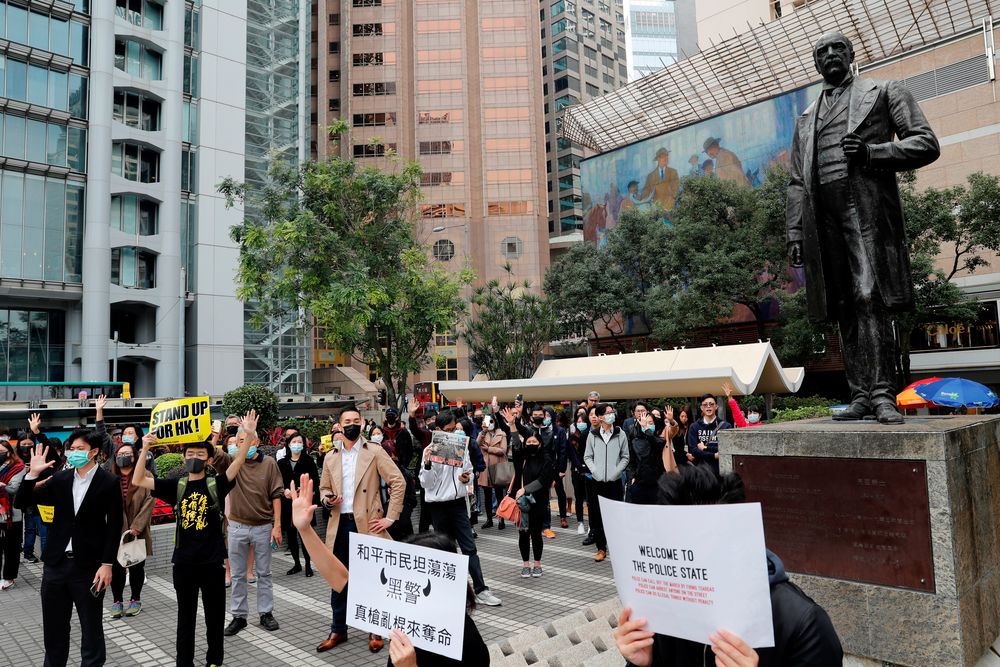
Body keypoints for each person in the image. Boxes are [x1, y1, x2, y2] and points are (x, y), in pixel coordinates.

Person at [787, 32, 939, 425]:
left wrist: (875, 153)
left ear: (852, 55)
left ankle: (883, 394)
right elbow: (796, 182)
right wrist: (795, 233)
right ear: (816, 63)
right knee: (843, 303)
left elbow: (926, 143)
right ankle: (859, 394)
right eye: (822, 52)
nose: (831, 55)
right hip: (823, 220)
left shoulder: (885, 91)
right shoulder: (805, 118)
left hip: (866, 212)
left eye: (838, 48)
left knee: (869, 295)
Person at [614, 465, 843, 666]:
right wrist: (642, 663)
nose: (689, 566)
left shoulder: (803, 624)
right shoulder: (665, 613)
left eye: (704, 546)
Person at [286, 473, 491, 666]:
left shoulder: (468, 643)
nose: (403, 583)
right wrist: (305, 529)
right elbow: (342, 580)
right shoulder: (404, 609)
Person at [133, 410, 258, 667]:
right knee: (185, 618)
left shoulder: (217, 484)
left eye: (200, 454)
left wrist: (248, 434)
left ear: (209, 459)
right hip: (184, 565)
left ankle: (214, 661)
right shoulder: (175, 485)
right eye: (190, 454)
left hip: (212, 563)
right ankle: (184, 662)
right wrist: (145, 448)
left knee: (214, 617)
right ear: (183, 457)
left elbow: (238, 463)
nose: (195, 458)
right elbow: (137, 479)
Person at [15, 430, 123, 667]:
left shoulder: (109, 482)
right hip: (56, 565)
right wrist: (32, 474)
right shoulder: (60, 479)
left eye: (79, 449)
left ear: (94, 452)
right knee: (54, 632)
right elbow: (21, 502)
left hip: (89, 568)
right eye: (70, 449)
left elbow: (114, 526)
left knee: (91, 630)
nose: (72, 453)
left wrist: (107, 565)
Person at [317, 407, 406, 654]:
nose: (352, 425)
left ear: (363, 423)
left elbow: (398, 482)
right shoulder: (330, 457)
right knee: (338, 580)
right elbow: (323, 488)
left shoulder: (374, 452)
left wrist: (390, 517)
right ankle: (338, 629)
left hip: (367, 524)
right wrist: (327, 499)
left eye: (356, 420)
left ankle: (375, 629)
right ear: (339, 425)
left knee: (370, 580)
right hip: (339, 524)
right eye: (347, 421)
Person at [414, 402, 502, 607]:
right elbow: (425, 483)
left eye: (456, 429)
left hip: (458, 504)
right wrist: (427, 464)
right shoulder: (429, 450)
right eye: (450, 430)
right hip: (438, 507)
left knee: (469, 548)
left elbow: (470, 471)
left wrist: (467, 478)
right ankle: (451, 592)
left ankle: (481, 590)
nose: (454, 433)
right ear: (438, 430)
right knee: (446, 550)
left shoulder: (460, 447)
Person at [223, 415, 285, 636]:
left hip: (262, 527)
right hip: (237, 526)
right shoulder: (232, 463)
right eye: (238, 441)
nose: (240, 445)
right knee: (238, 575)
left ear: (256, 442)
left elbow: (277, 494)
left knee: (264, 573)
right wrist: (212, 434)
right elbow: (209, 455)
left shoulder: (268, 464)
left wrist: (277, 525)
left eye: (245, 440)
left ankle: (266, 613)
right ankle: (239, 616)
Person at [109, 441, 153, 618]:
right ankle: (117, 600)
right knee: (116, 568)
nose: (123, 457)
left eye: (127, 454)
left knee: (136, 567)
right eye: (119, 454)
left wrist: (137, 526)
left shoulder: (145, 475)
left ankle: (135, 599)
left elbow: (150, 501)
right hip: (115, 530)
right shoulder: (109, 477)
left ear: (135, 457)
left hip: (137, 532)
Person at [583, 403, 629, 562]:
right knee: (598, 516)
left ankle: (617, 547)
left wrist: (617, 471)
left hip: (614, 482)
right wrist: (595, 471)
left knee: (615, 516)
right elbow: (587, 456)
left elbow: (625, 457)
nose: (612, 415)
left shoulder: (620, 433)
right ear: (601, 417)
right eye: (608, 413)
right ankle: (601, 548)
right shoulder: (593, 435)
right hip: (597, 482)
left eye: (612, 412)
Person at [277, 431, 319, 577]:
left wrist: (305, 489)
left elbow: (316, 481)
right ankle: (296, 564)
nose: (296, 445)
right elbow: (277, 482)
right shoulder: (281, 463)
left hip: (304, 503)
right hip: (288, 504)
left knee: (304, 535)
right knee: (291, 535)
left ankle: (308, 565)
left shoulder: (308, 461)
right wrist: (285, 491)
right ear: (289, 444)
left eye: (299, 442)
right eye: (294, 442)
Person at [510, 433, 552, 578]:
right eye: (528, 441)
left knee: (536, 534)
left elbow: (543, 480)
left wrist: (525, 489)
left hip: (539, 502)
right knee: (523, 534)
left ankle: (538, 563)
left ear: (540, 444)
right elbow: (515, 442)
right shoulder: (521, 458)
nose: (531, 444)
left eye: (534, 441)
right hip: (522, 503)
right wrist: (512, 425)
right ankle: (525, 564)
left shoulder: (546, 459)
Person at [625, 410, 670, 505]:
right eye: (644, 422)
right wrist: (632, 477)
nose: (647, 425)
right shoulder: (635, 441)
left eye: (650, 423)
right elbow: (632, 462)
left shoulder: (659, 440)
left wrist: (646, 428)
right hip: (640, 483)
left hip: (658, 482)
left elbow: (657, 444)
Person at [0, 437, 26, 590]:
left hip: (11, 515)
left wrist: (3, 486)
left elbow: (13, 488)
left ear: (10, 452)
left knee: (11, 548)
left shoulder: (18, 467)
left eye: (2, 452)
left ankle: (9, 577)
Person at [687, 394, 732, 476]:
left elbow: (726, 449)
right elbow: (693, 450)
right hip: (701, 473)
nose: (708, 407)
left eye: (711, 404)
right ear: (701, 408)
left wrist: (705, 448)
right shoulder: (694, 427)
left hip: (721, 472)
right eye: (705, 405)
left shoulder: (726, 426)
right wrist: (714, 455)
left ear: (716, 406)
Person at [477, 414, 509, 530]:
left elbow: (503, 450)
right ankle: (489, 519)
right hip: (485, 468)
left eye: (491, 421)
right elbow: (476, 444)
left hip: (498, 467)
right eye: (487, 421)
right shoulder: (482, 434)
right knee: (487, 495)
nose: (489, 423)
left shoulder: (502, 434)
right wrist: (483, 432)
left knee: (500, 494)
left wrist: (489, 449)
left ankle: (501, 519)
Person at [567, 407, 591, 536]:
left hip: (590, 471)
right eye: (578, 421)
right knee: (579, 497)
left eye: (583, 421)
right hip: (576, 471)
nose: (580, 423)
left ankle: (591, 524)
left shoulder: (591, 435)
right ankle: (580, 522)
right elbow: (572, 454)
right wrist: (579, 466)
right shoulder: (571, 438)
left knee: (590, 498)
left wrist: (586, 466)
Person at [641, 147, 680, 211]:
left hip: (671, 209)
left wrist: (669, 206)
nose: (666, 158)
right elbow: (645, 193)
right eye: (663, 156)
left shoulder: (673, 172)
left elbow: (676, 190)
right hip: (657, 210)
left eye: (667, 156)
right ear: (658, 158)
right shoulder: (650, 176)